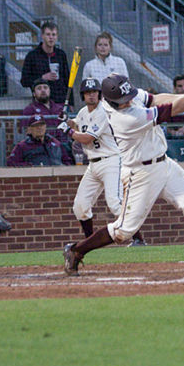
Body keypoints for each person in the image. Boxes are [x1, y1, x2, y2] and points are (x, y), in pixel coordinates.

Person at [62, 73, 184, 275]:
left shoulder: (127, 96)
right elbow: (173, 110)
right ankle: (76, 250)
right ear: (110, 101)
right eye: (123, 100)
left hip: (165, 164)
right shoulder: (125, 119)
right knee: (124, 230)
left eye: (129, 96)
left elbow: (158, 99)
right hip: (140, 173)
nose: (128, 101)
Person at [65, 77, 146, 245]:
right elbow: (75, 123)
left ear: (99, 94)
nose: (91, 96)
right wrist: (65, 121)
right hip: (93, 164)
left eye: (94, 92)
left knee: (115, 204)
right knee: (80, 206)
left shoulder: (103, 111)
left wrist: (68, 131)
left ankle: (139, 239)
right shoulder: (82, 112)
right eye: (88, 93)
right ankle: (89, 242)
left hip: (111, 161)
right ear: (83, 96)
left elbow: (86, 138)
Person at [20, 21, 70, 105]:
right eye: (48, 34)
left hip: (60, 101)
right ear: (42, 36)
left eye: (53, 35)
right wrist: (42, 78)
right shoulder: (32, 56)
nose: (51, 37)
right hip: (41, 103)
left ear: (57, 37)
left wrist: (70, 102)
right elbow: (24, 81)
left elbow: (67, 80)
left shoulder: (61, 55)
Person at [8, 114, 73, 167]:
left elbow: (67, 161)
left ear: (45, 126)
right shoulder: (22, 146)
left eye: (41, 125)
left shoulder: (56, 143)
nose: (39, 128)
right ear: (29, 129)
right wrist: (30, 166)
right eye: (36, 126)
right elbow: (11, 163)